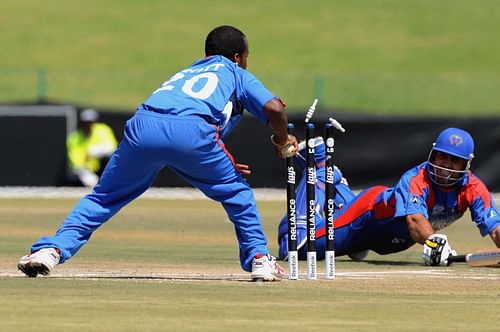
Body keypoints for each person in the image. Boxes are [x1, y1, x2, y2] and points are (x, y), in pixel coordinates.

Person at [18, 25, 298, 281]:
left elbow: (179, 121)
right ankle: (260, 258)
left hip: (143, 125)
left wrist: (217, 158)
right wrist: (282, 141)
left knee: (104, 197)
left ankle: (51, 250)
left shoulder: (185, 72)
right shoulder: (235, 72)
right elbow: (274, 109)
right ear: (237, 57)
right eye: (247, 56)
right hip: (193, 133)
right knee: (237, 194)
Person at [278, 128, 500, 266]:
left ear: (466, 164)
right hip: (365, 218)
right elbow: (415, 222)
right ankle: (317, 171)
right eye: (443, 157)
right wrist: (435, 243)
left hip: (386, 240)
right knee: (296, 249)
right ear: (433, 155)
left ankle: (328, 173)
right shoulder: (416, 178)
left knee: (353, 248)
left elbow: (496, 227)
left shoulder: (474, 188)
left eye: (455, 161)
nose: (446, 166)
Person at [66, 108, 118, 187]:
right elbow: (75, 162)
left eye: (90, 122)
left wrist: (95, 151)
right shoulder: (74, 138)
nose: (88, 125)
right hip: (86, 171)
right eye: (86, 123)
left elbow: (113, 148)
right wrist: (87, 175)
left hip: (104, 168)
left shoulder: (103, 130)